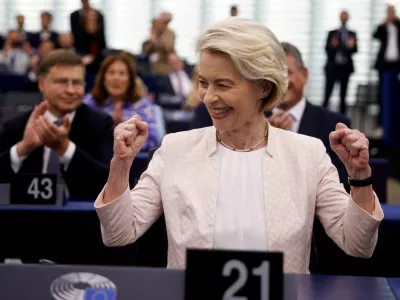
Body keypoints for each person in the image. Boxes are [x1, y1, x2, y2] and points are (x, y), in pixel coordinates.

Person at [94, 18, 383, 273]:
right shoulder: (174, 149)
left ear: (263, 87)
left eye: (223, 84)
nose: (207, 97)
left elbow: (357, 244)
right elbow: (119, 233)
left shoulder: (308, 154)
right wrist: (121, 165)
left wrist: (360, 177)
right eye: (203, 82)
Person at [0, 49, 114, 199]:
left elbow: (109, 183)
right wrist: (23, 148)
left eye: (77, 83)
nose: (70, 90)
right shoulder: (16, 126)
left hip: (82, 220)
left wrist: (65, 149)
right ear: (41, 83)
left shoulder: (101, 125)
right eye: (61, 82)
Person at [83, 52, 160, 150]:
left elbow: (153, 143)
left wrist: (125, 131)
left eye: (122, 73)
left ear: (130, 80)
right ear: (103, 78)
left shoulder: (143, 105)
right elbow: (79, 138)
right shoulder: (89, 102)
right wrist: (109, 128)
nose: (116, 78)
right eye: (111, 72)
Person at [323, 10, 357, 115]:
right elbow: (326, 49)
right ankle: (323, 114)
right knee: (327, 94)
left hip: (345, 68)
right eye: (342, 16)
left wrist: (350, 47)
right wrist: (333, 46)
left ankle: (343, 118)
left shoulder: (352, 34)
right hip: (333, 67)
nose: (344, 18)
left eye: (345, 16)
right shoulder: (332, 33)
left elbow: (355, 50)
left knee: (343, 95)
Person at [373, 4, 400, 134]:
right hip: (384, 66)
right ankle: (381, 125)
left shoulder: (398, 26)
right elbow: (375, 35)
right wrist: (386, 21)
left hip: (397, 65)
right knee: (382, 95)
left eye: (392, 11)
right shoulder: (383, 27)